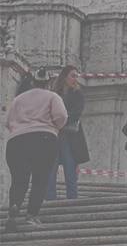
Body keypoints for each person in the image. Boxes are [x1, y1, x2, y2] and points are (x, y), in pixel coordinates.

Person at [4, 67, 67, 231]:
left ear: (32, 81)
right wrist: (54, 128)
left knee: (19, 179)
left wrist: (19, 129)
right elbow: (62, 116)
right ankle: (32, 214)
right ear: (49, 82)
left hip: (16, 141)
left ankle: (14, 207)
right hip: (43, 139)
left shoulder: (19, 99)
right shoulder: (53, 96)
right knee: (40, 178)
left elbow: (8, 121)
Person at [46, 65, 89, 201]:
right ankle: (50, 198)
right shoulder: (54, 93)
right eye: (73, 75)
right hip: (54, 134)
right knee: (50, 167)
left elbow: (77, 113)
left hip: (70, 136)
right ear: (64, 77)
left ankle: (72, 199)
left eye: (77, 76)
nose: (75, 78)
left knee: (70, 167)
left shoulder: (78, 94)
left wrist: (60, 120)